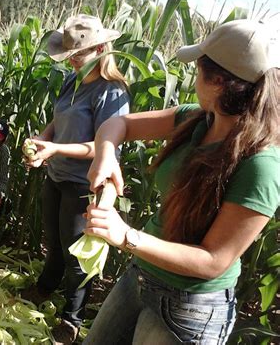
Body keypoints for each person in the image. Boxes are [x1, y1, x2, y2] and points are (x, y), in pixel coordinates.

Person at [83, 20, 279, 345]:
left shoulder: (261, 165)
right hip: (141, 277)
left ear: (217, 82)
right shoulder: (197, 120)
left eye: (198, 71)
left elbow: (213, 261)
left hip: (190, 308)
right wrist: (105, 156)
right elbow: (118, 124)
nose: (193, 79)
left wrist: (126, 236)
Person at [23, 14, 130, 344]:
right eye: (67, 55)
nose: (70, 61)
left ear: (99, 48)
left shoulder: (111, 93)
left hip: (83, 184)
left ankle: (72, 318)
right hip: (56, 174)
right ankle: (45, 286)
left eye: (76, 55)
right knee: (54, 241)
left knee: (76, 255)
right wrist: (42, 141)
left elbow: (105, 147)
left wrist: (54, 149)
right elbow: (57, 121)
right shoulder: (73, 80)